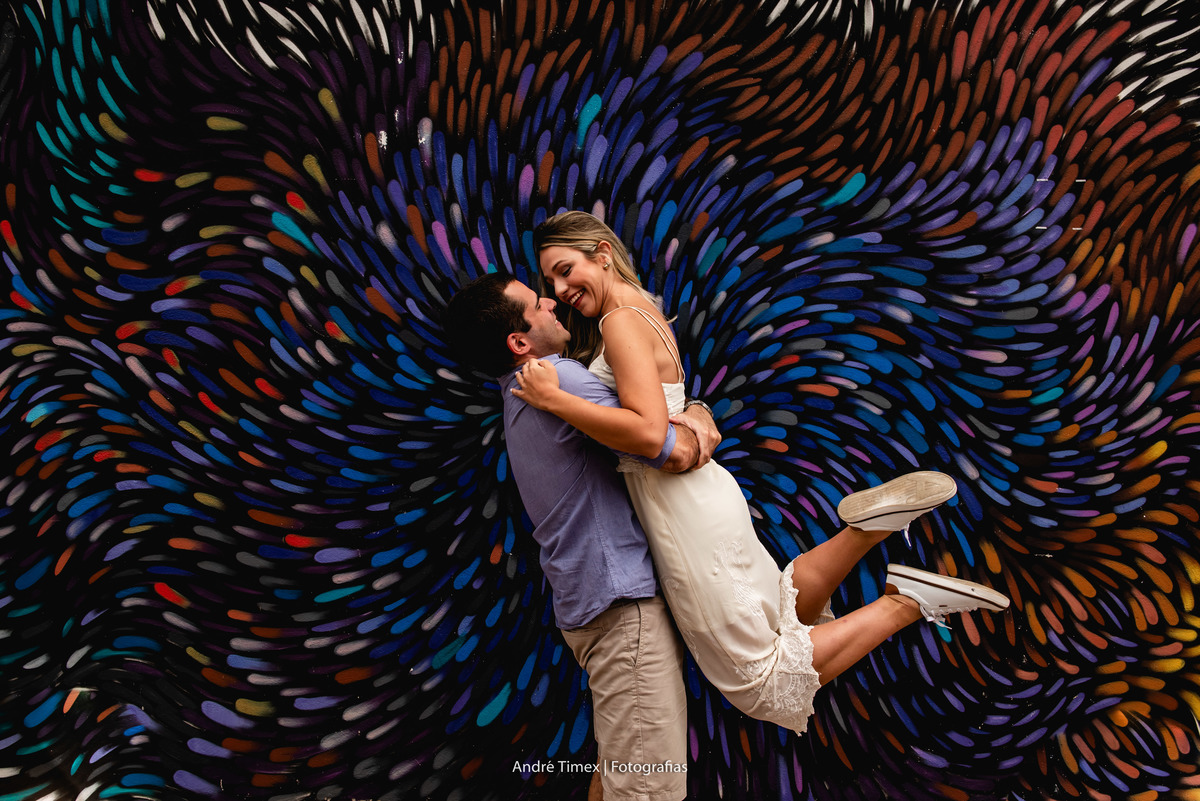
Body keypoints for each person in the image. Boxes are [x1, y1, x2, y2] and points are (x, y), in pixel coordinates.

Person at [505, 210, 1011, 734]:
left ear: (603, 255)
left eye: (566, 271)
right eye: (550, 282)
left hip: (677, 507)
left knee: (756, 680)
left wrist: (556, 401)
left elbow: (652, 435)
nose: (559, 290)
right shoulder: (641, 308)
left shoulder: (618, 322)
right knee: (778, 611)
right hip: (702, 494)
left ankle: (905, 603)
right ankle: (867, 531)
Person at [445, 272, 723, 801]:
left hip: (594, 605)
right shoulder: (558, 379)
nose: (552, 302)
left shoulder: (521, 394)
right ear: (519, 343)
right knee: (649, 790)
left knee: (621, 772)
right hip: (622, 611)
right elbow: (669, 450)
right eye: (537, 303)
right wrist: (699, 414)